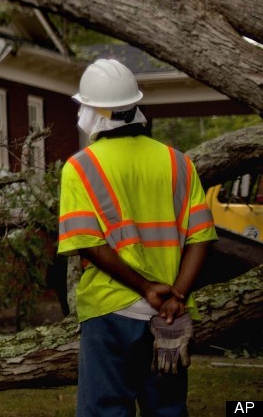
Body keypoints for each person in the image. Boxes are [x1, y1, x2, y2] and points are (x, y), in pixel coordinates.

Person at [58, 58, 217, 416]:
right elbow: (202, 237)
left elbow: (88, 243)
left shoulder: (80, 167)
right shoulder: (179, 163)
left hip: (109, 311)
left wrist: (147, 289)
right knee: (167, 409)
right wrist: (177, 297)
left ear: (97, 112)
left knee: (105, 410)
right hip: (169, 319)